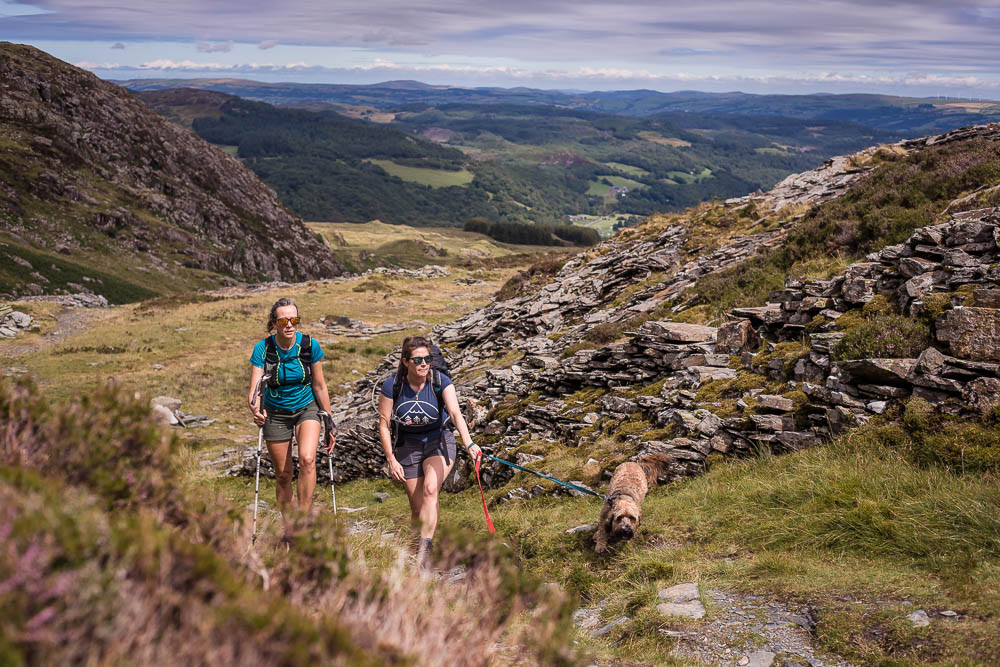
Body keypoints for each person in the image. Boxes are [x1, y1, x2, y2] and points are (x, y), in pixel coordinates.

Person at [378, 336, 481, 559]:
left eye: (427, 359)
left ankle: (425, 549)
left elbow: (455, 413)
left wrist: (469, 442)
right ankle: (418, 551)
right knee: (417, 509)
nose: (423, 364)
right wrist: (391, 459)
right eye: (417, 360)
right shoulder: (393, 385)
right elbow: (384, 424)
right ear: (406, 362)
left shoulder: (439, 380)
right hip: (407, 447)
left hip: (438, 442)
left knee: (430, 490)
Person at [249, 298, 335, 517]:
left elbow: (319, 385)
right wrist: (256, 409)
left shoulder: (309, 345)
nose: (289, 324)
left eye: (294, 319)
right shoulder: (263, 348)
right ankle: (289, 526)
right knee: (283, 474)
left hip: (307, 407)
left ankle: (302, 522)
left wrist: (329, 419)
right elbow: (255, 390)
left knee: (307, 459)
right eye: (283, 320)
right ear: (274, 323)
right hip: (275, 413)